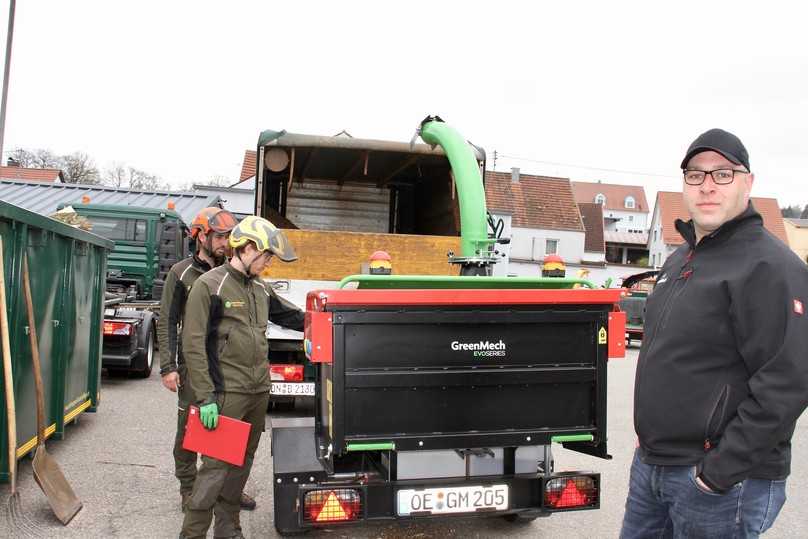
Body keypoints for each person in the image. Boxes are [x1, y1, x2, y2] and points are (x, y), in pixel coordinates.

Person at [621, 129, 808, 538]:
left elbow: (787, 383)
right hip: (654, 467)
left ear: (748, 182)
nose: (707, 185)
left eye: (722, 174)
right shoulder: (680, 260)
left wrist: (717, 473)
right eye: (695, 174)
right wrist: (649, 439)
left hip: (720, 483)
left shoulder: (770, 267)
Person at [180, 216, 304, 539]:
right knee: (214, 472)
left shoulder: (261, 287)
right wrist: (205, 397)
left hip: (257, 393)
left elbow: (292, 316)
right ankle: (192, 534)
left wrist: (329, 318)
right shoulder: (209, 286)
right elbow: (193, 346)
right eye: (266, 256)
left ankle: (228, 530)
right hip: (225, 396)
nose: (268, 264)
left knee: (240, 468)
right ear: (247, 249)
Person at [158, 207, 247, 516]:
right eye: (220, 237)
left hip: (226, 366)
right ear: (201, 236)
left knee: (225, 427)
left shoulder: (232, 273)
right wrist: (168, 367)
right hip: (192, 367)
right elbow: (167, 321)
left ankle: (225, 489)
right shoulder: (181, 273)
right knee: (188, 429)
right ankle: (188, 488)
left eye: (229, 237)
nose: (226, 243)